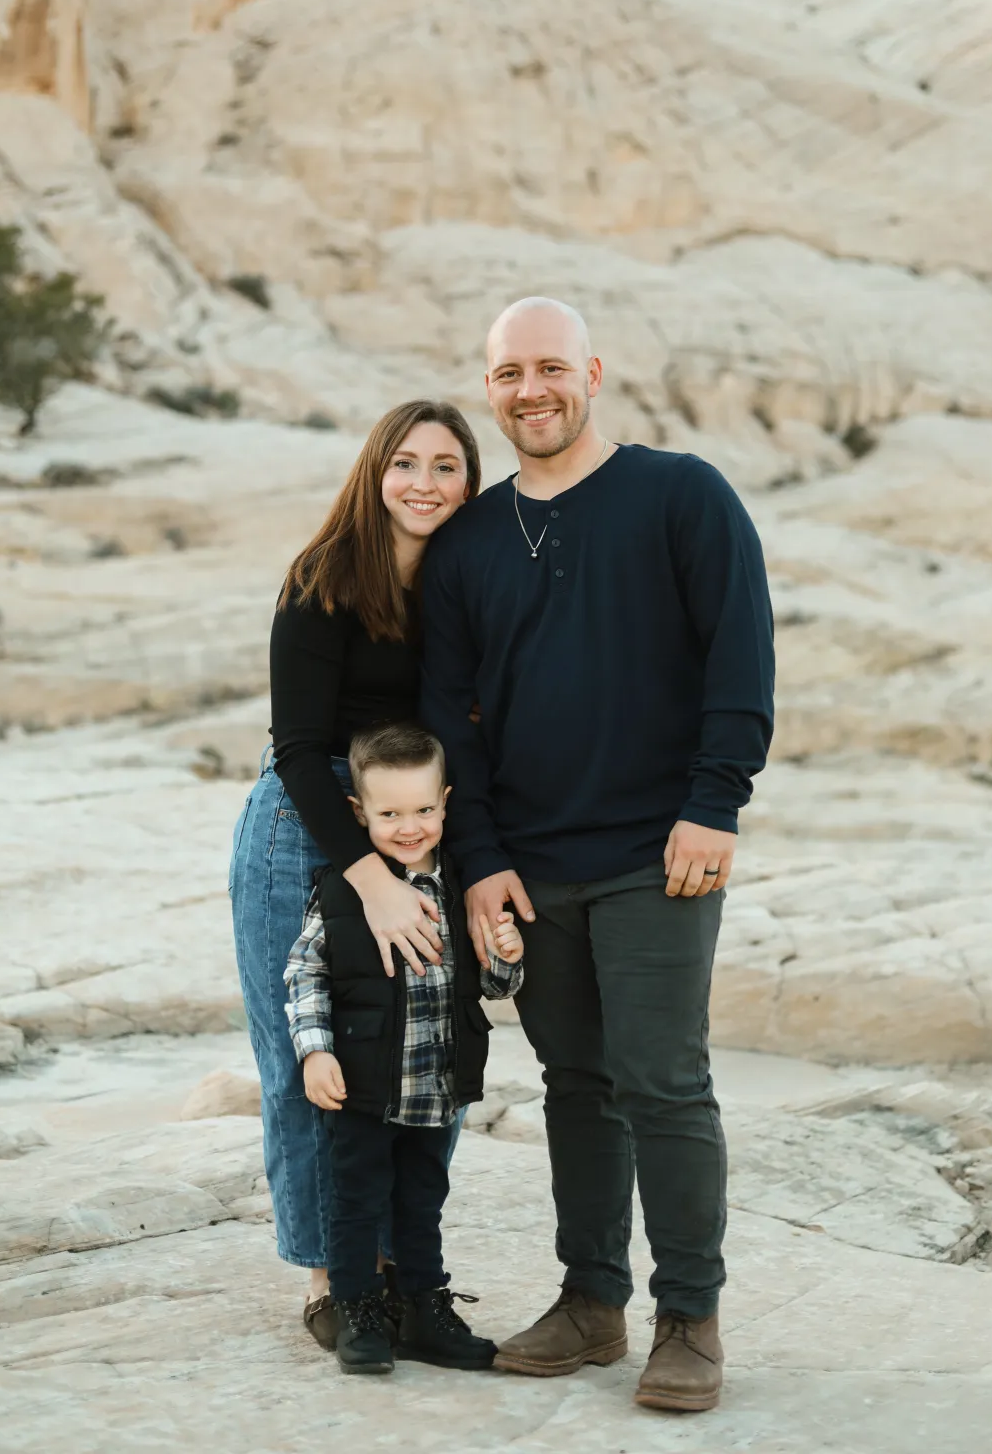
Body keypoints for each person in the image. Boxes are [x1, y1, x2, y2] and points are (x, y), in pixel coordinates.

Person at [419, 298, 775, 1414]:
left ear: (594, 374)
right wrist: (475, 860)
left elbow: (740, 655)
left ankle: (690, 1319)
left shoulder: (681, 494)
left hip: (657, 851)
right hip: (528, 862)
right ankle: (590, 1301)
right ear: (489, 388)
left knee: (661, 1080)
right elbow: (446, 716)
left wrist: (714, 804)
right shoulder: (467, 540)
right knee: (573, 1084)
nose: (532, 390)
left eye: (552, 368)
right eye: (510, 372)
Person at [228, 400, 481, 1348]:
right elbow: (296, 748)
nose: (425, 483)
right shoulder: (322, 581)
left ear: (469, 482)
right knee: (312, 1063)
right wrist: (372, 879)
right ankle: (333, 1280)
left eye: (447, 466)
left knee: (423, 1054)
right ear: (375, 472)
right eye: (406, 463)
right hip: (308, 826)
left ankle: (402, 1272)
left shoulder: (468, 588)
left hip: (421, 826)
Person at [284, 722, 524, 1375]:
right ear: (359, 813)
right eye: (390, 813)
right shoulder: (342, 889)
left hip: (436, 1085)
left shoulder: (462, 888)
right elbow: (304, 976)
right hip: (362, 1083)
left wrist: (507, 956)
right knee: (355, 1200)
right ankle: (360, 1311)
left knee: (422, 1201)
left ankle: (423, 1307)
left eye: (424, 809)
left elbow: (495, 987)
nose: (409, 826)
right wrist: (315, 1052)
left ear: (446, 803)